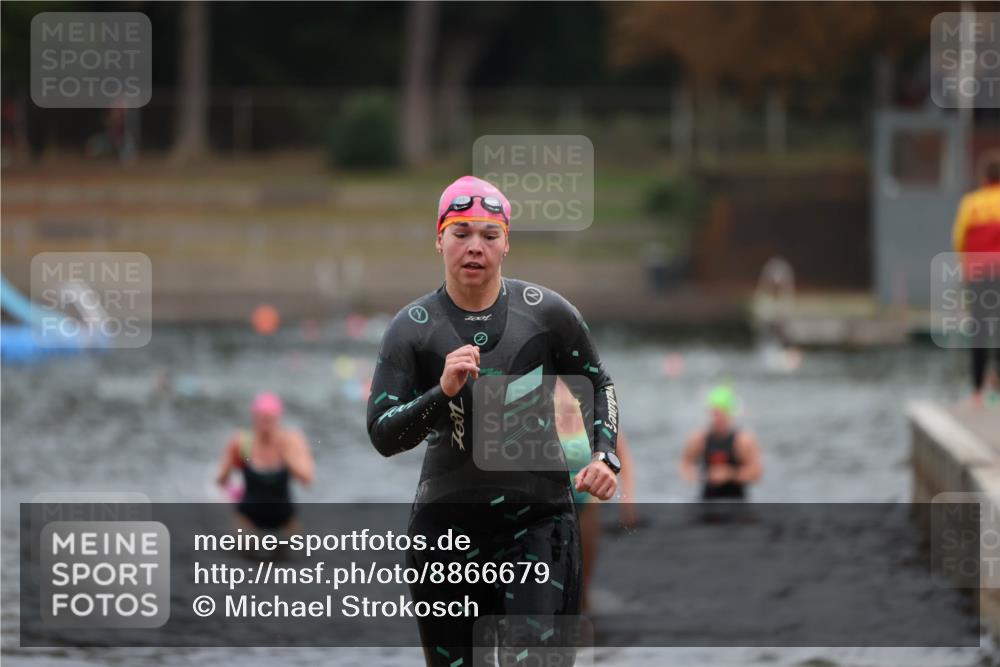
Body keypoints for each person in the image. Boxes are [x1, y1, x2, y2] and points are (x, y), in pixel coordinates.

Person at [366, 176, 622, 666]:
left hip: (540, 525)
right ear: (439, 239)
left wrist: (604, 455)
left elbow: (600, 384)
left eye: (489, 234)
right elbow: (382, 433)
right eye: (461, 233)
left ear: (507, 243)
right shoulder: (411, 329)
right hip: (446, 530)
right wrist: (440, 393)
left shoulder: (548, 314)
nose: (474, 247)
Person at [553, 378, 636, 613]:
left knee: (582, 587)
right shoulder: (530, 386)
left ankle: (590, 644)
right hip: (547, 503)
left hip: (585, 501)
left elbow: (620, 450)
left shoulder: (586, 391)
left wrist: (628, 500)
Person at [216, 392, 315, 532]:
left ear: (278, 418)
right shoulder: (241, 442)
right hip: (248, 519)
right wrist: (231, 461)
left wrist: (288, 458)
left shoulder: (292, 441)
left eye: (270, 419)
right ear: (253, 418)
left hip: (285, 519)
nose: (266, 425)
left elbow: (308, 480)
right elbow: (221, 480)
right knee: (240, 549)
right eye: (262, 419)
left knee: (300, 550)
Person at [951, 156, 1000, 407]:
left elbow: (959, 238)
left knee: (980, 331)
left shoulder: (970, 204)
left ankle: (978, 392)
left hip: (979, 273)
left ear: (983, 178)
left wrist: (965, 267)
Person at [680, 385, 762, 500]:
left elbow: (757, 473)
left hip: (737, 501)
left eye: (722, 413)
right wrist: (697, 475)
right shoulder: (699, 438)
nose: (718, 418)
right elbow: (685, 465)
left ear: (730, 414)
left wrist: (730, 474)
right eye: (714, 413)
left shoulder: (743, 440)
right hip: (707, 499)